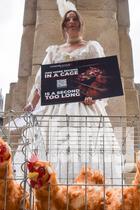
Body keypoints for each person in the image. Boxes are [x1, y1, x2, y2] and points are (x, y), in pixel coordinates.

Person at [22, 8, 124, 186]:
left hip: (86, 107)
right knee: (57, 148)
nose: (71, 21)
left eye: (74, 18)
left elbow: (103, 77)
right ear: (63, 25)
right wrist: (32, 104)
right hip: (58, 109)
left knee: (87, 147)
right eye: (68, 19)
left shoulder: (92, 47)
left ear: (80, 23)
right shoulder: (54, 52)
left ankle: (90, 194)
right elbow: (42, 81)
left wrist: (94, 97)